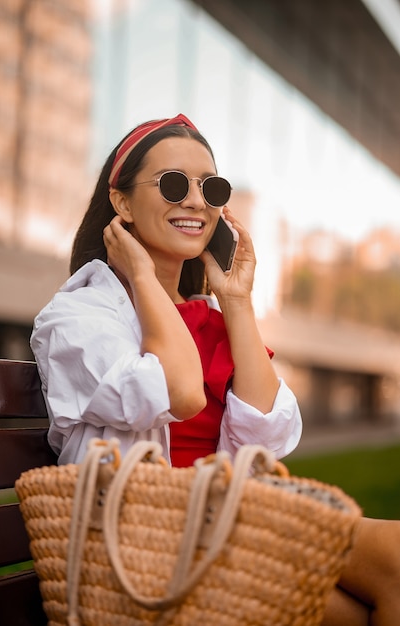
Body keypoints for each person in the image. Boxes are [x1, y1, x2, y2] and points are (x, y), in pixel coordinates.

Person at [30, 114, 400, 625]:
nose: (198, 202)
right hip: (145, 548)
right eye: (175, 184)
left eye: (213, 187)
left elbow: (268, 441)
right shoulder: (81, 318)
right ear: (121, 203)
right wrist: (140, 274)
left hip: (228, 521)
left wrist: (237, 300)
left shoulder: (211, 315)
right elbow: (179, 391)